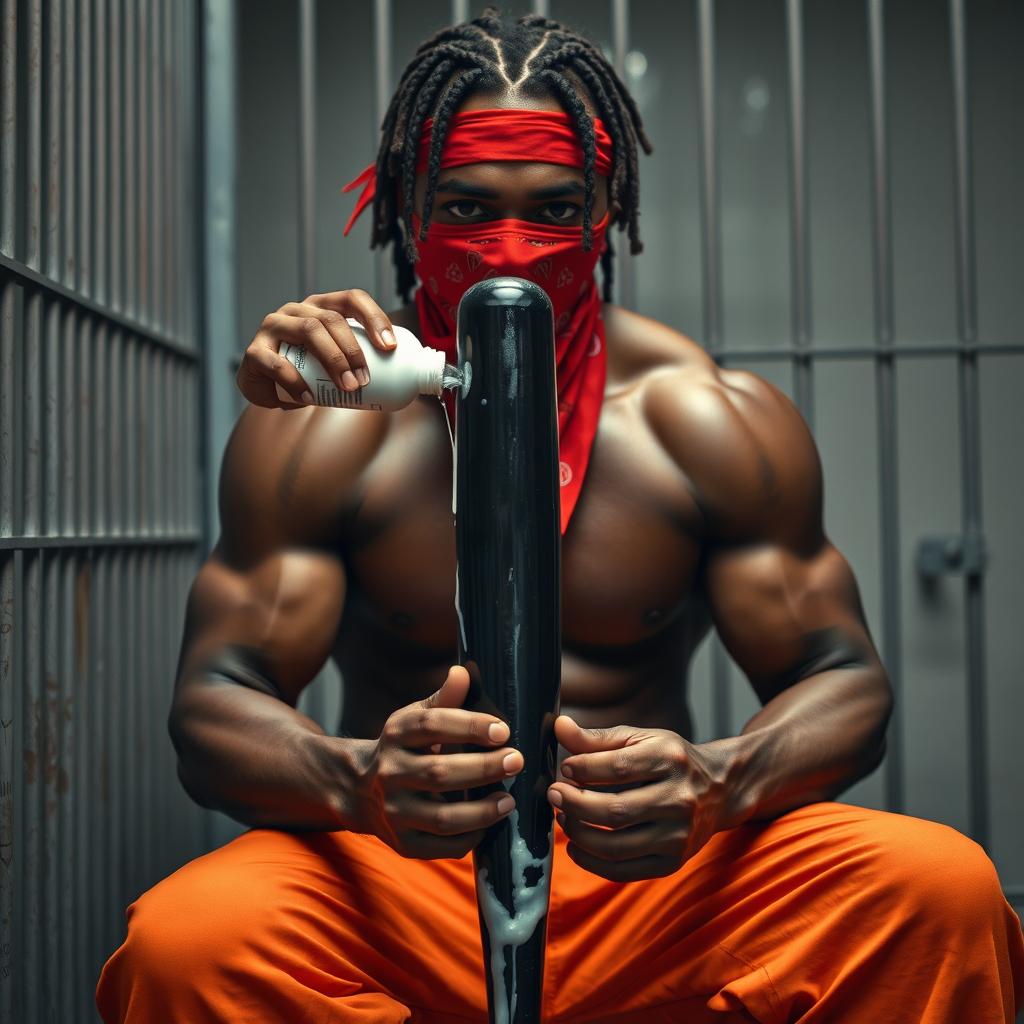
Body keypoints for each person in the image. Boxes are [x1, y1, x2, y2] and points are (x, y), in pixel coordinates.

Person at [97, 9, 1024, 1022]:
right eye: (464, 204)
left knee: (941, 892)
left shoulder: (703, 420)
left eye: (552, 208)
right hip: (404, 874)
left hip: (651, 887)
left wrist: (718, 780)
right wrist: (356, 777)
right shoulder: (322, 428)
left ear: (605, 214)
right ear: (406, 207)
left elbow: (843, 680)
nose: (508, 248)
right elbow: (211, 705)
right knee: (186, 945)